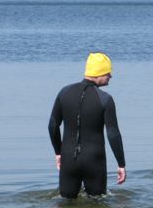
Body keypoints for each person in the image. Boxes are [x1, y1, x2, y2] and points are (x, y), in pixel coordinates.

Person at [48, 52, 126, 198]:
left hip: (68, 159)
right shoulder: (105, 99)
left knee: (66, 204)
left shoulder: (64, 93)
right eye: (108, 72)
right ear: (98, 73)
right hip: (94, 161)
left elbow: (52, 126)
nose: (110, 76)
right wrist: (121, 164)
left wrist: (58, 152)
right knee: (97, 204)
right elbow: (113, 133)